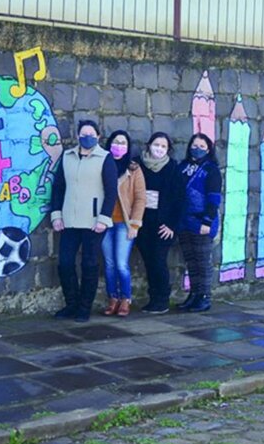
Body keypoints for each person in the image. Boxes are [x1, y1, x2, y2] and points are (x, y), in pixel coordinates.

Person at [50, 120, 117, 323]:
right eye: (83, 133)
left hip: (93, 222)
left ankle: (84, 307)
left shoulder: (105, 158)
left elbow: (111, 191)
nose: (86, 137)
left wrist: (104, 219)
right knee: (65, 263)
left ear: (97, 136)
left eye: (91, 133)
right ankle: (71, 303)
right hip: (69, 220)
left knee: (89, 264)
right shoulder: (67, 157)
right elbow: (58, 187)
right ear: (78, 136)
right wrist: (56, 215)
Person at [135, 132, 185, 314]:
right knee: (148, 262)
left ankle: (162, 299)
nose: (159, 149)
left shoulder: (173, 168)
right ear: (149, 145)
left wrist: (172, 225)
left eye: (163, 146)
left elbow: (180, 199)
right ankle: (152, 298)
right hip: (142, 222)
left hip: (163, 224)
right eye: (156, 144)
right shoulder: (138, 164)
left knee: (158, 261)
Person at [100, 130, 146, 317]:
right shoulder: (102, 164)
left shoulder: (134, 169)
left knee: (121, 264)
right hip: (104, 223)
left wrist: (134, 224)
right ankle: (113, 298)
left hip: (124, 224)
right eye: (116, 142)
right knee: (109, 264)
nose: (119, 146)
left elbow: (140, 198)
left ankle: (126, 298)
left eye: (123, 143)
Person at [176, 133, 222, 313]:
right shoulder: (183, 167)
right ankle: (194, 294)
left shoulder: (211, 170)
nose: (198, 149)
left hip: (201, 221)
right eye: (195, 145)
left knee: (202, 261)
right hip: (184, 221)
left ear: (209, 149)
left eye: (202, 146)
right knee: (191, 261)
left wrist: (207, 221)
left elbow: (213, 199)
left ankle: (204, 296)